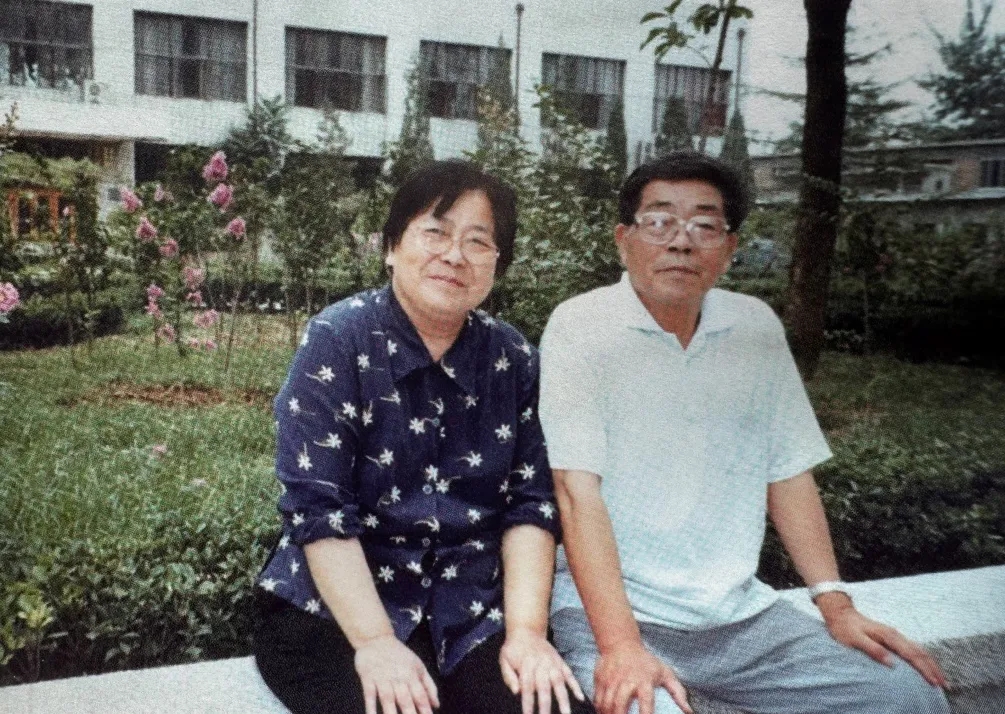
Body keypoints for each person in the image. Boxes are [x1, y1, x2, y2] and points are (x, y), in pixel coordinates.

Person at [538, 151, 950, 714]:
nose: (681, 242)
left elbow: (788, 472)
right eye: (659, 221)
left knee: (906, 696)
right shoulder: (582, 326)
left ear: (730, 248)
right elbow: (574, 492)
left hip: (741, 619)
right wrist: (621, 646)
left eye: (705, 225)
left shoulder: (754, 326)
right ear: (623, 239)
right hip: (613, 616)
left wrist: (835, 603)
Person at [253, 160, 592, 714]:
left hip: (473, 612)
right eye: (435, 232)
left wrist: (527, 634)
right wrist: (375, 642)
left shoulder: (512, 358)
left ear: (498, 264)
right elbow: (319, 509)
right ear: (391, 246)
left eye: (478, 241)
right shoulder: (338, 339)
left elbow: (530, 505)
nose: (454, 255)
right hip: (336, 612)